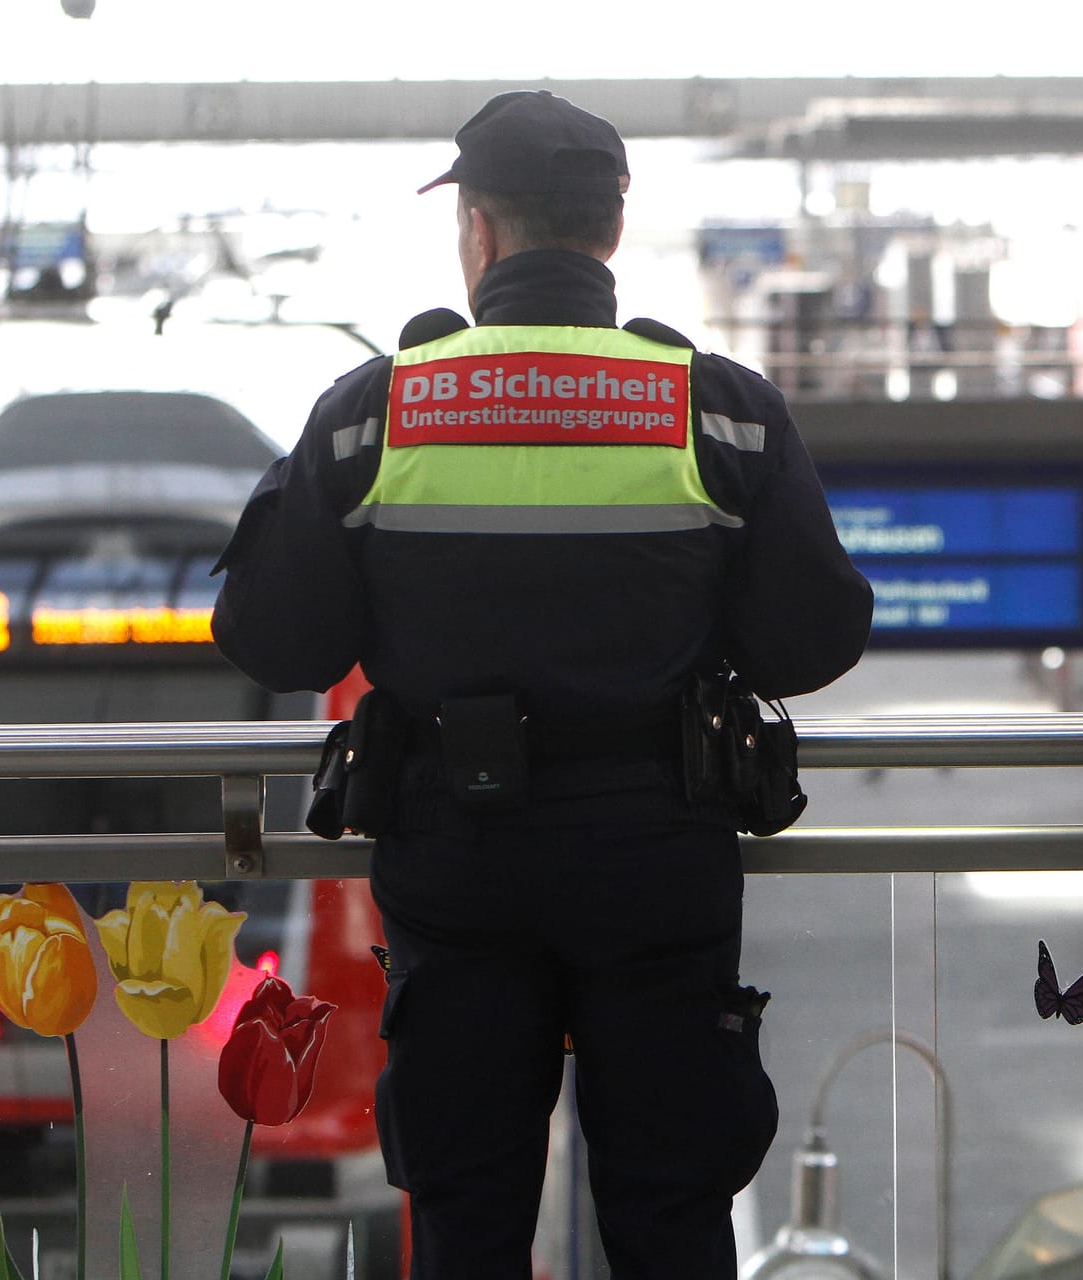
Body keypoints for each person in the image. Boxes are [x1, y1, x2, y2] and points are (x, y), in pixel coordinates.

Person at [210, 89, 874, 1280]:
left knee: (467, 1220)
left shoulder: (379, 413)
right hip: (657, 856)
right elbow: (813, 639)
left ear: (478, 231)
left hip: (455, 861)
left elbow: (277, 639)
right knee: (670, 1213)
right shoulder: (716, 411)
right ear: (612, 232)